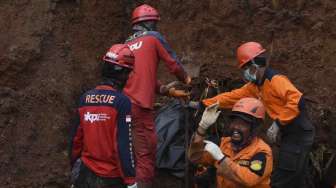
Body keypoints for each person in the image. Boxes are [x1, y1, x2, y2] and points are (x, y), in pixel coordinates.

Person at [196, 42, 314, 187]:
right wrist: (203, 104)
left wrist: (278, 123)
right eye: (243, 69)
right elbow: (232, 97)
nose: (245, 73)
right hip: (287, 131)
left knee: (286, 174)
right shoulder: (255, 86)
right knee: (294, 173)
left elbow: (297, 99)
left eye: (247, 68)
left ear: (257, 65)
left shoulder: (275, 80)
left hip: (298, 132)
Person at [123, 4, 191, 188]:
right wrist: (187, 79)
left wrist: (166, 91)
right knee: (146, 153)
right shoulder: (153, 38)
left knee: (129, 151)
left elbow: (139, 77)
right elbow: (173, 64)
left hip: (123, 106)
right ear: (150, 24)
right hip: (139, 108)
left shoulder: (126, 46)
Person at [69, 44, 137, 188]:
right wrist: (131, 180)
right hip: (111, 178)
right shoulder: (122, 102)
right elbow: (123, 144)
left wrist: (73, 166)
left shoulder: (85, 99)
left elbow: (75, 140)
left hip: (85, 175)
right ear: (123, 74)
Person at [188, 98, 273, 188]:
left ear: (254, 129)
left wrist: (222, 158)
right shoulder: (225, 143)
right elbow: (195, 158)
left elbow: (249, 180)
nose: (236, 127)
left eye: (242, 124)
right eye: (234, 122)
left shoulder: (262, 151)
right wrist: (202, 128)